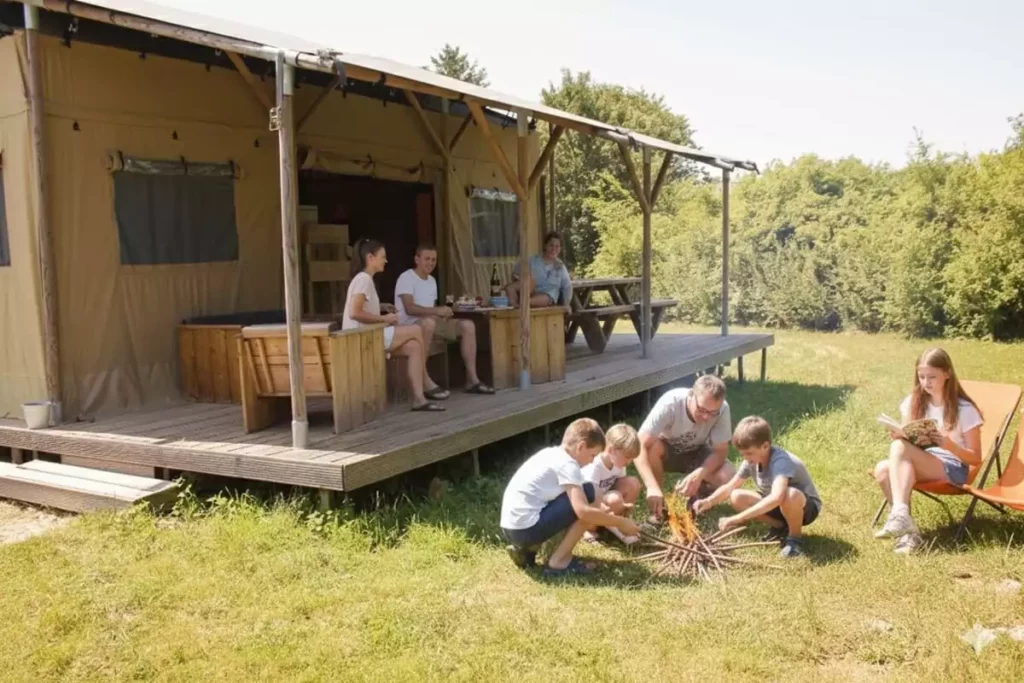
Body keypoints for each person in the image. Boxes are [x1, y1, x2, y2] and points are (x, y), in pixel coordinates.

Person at [872, 348, 983, 554]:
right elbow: (908, 443)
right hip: (926, 460)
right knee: (882, 469)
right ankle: (909, 535)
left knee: (898, 448)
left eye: (932, 377)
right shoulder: (913, 402)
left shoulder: (965, 409)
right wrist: (902, 435)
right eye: (921, 377)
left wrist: (948, 444)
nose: (926, 382)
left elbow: (976, 458)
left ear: (947, 373)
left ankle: (900, 515)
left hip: (954, 468)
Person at [499, 418, 640, 576]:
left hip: (510, 527)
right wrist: (620, 522)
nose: (591, 461)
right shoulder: (568, 465)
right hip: (525, 530)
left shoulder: (551, 453)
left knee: (586, 490)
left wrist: (602, 507)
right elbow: (583, 512)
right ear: (581, 446)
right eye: (592, 455)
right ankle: (558, 561)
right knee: (587, 497)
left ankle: (529, 550)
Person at [693, 416, 822, 559]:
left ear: (765, 446)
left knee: (789, 494)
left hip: (803, 507)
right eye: (742, 453)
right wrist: (709, 501)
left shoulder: (780, 461)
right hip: (777, 505)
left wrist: (737, 518)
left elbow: (777, 497)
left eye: (749, 453)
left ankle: (794, 540)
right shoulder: (751, 461)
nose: (745, 457)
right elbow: (730, 487)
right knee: (736, 496)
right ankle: (780, 528)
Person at [342, 238, 445, 412]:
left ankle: (419, 399)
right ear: (370, 257)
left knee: (414, 346)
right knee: (416, 329)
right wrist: (385, 319)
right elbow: (355, 312)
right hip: (362, 338)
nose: (386, 260)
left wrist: (381, 307)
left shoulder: (365, 279)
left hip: (369, 335)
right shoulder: (364, 279)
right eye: (383, 257)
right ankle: (425, 377)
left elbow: (360, 308)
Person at [393, 244, 495, 396]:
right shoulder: (406, 277)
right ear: (417, 259)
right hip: (410, 325)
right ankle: (424, 380)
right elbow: (410, 308)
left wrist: (442, 313)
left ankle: (472, 379)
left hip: (430, 321)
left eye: (433, 260)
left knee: (467, 325)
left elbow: (430, 308)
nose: (431, 263)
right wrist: (436, 311)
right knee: (429, 323)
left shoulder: (431, 281)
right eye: (427, 259)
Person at [635, 374, 735, 525]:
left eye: (712, 413)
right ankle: (658, 506)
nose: (706, 417)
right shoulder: (671, 403)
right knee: (651, 447)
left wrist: (700, 473)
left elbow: (721, 451)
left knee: (728, 475)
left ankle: (699, 497)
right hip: (666, 450)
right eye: (701, 409)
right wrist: (651, 486)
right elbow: (639, 444)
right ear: (691, 394)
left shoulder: (722, 409)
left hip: (697, 451)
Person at [580, 423, 643, 546]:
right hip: (590, 505)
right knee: (615, 499)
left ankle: (618, 524)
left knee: (633, 484)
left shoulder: (618, 463)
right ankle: (588, 529)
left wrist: (624, 506)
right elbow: (588, 497)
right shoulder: (594, 466)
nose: (629, 462)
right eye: (627, 457)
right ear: (611, 450)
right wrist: (610, 508)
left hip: (605, 503)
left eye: (631, 458)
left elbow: (621, 483)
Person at [505, 232, 572, 308]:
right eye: (551, 245)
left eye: (557, 246)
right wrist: (522, 278)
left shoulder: (560, 267)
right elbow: (515, 272)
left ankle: (524, 303)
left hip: (547, 298)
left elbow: (567, 287)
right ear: (545, 245)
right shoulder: (533, 260)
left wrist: (566, 305)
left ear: (560, 248)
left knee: (549, 295)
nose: (554, 249)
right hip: (530, 292)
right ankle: (515, 305)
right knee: (523, 283)